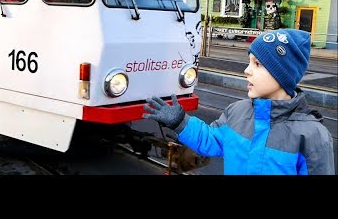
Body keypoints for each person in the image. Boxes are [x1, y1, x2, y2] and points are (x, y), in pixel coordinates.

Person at [143, 28, 335, 175]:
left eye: (257, 64)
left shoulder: (313, 136)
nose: (246, 70)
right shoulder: (237, 112)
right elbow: (211, 140)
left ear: (283, 74)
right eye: (249, 61)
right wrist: (180, 122)